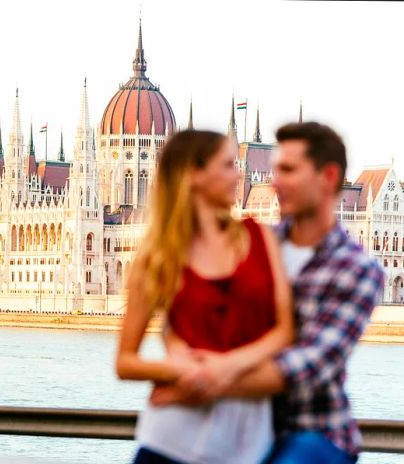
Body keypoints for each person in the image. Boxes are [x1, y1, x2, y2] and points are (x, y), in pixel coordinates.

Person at [150, 122, 385, 463]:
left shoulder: (358, 270)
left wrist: (198, 380)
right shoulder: (251, 243)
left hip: (312, 432)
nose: (274, 182)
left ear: (329, 177)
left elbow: (306, 365)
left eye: (288, 170)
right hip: (238, 425)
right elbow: (191, 314)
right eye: (275, 170)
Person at [116, 130, 294, 464]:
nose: (239, 174)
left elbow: (285, 331)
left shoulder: (259, 238)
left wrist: (220, 369)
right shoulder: (157, 258)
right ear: (195, 175)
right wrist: (175, 370)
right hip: (169, 441)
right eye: (228, 165)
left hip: (245, 445)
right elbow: (125, 362)